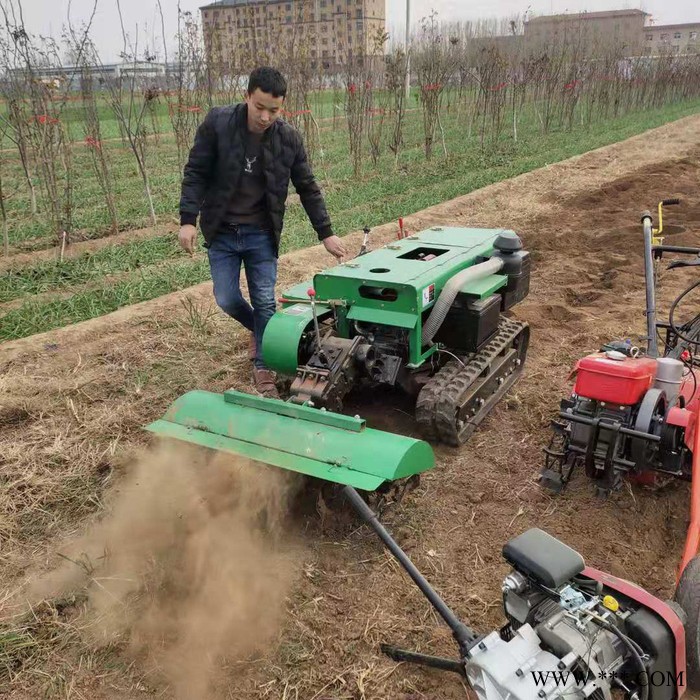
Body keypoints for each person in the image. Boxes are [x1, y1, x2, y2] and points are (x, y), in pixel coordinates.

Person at [178, 66, 345, 398]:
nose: (266, 116)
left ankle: (263, 366)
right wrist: (187, 219)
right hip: (222, 231)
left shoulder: (288, 139)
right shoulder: (218, 124)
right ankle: (262, 330)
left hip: (261, 232)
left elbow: (308, 188)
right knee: (226, 298)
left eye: (275, 109)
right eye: (260, 107)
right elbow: (196, 171)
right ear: (247, 97)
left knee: (266, 301)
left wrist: (326, 233)